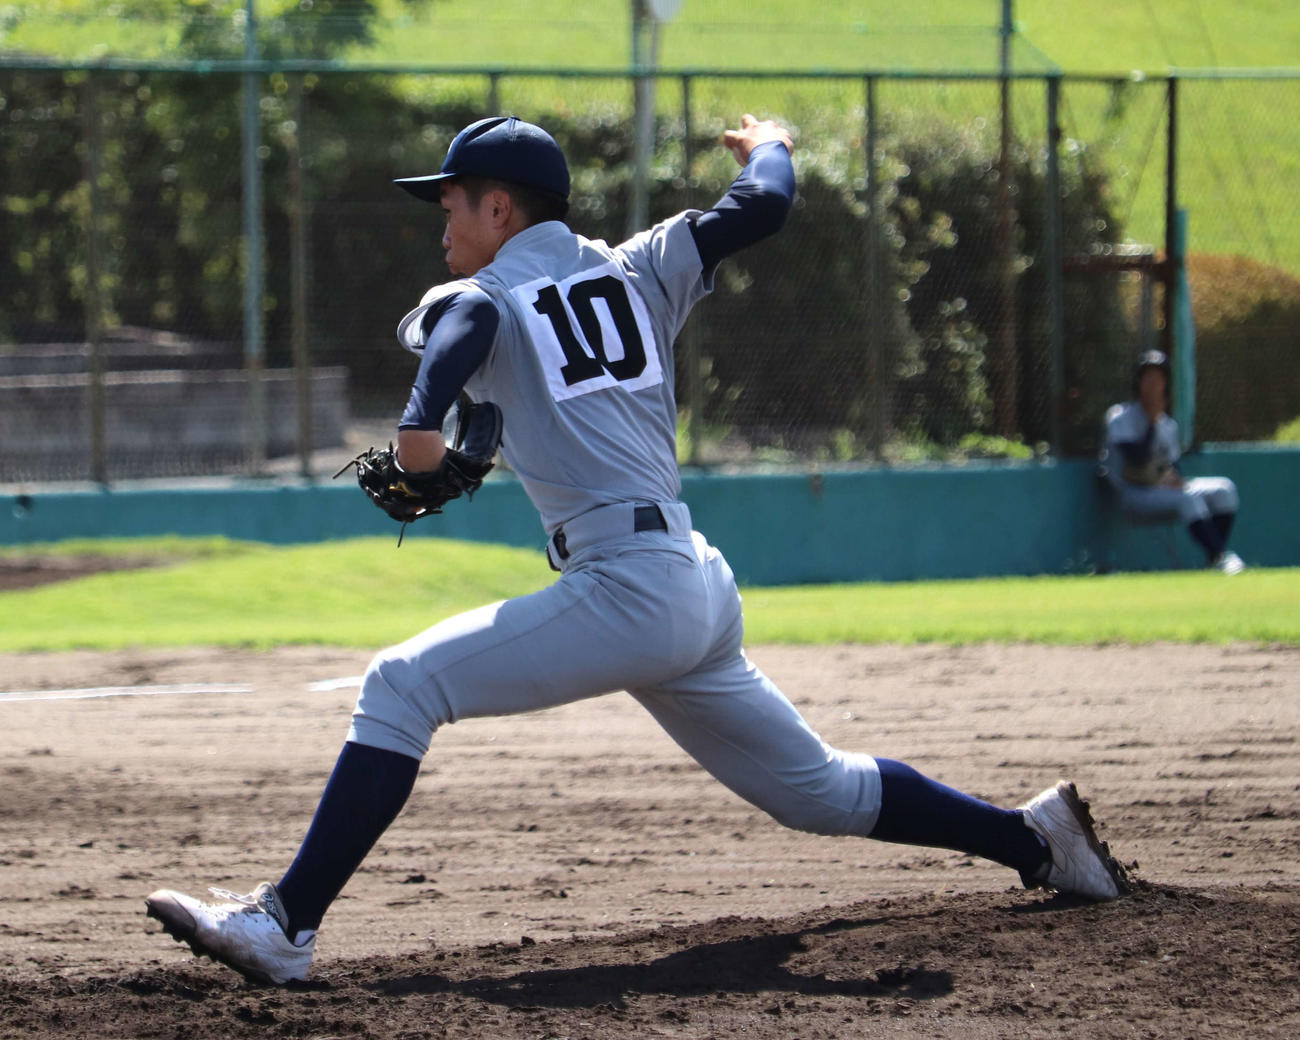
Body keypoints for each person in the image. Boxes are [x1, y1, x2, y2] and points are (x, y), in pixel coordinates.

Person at [145, 113, 1128, 985]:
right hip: (693, 580)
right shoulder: (641, 262)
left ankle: (283, 922)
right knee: (817, 788)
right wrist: (774, 141)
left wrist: (418, 430)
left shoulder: (484, 293)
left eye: (449, 202)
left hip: (627, 588)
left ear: (498, 207)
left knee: (401, 684)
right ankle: (1035, 839)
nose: (441, 223)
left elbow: (469, 332)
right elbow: (758, 208)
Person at [1102, 350, 1244, 574]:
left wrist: (1174, 478)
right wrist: (1150, 423)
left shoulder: (1167, 424)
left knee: (1224, 490)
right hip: (1134, 494)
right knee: (1189, 498)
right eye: (1147, 378)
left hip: (1160, 491)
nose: (1152, 385)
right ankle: (1220, 557)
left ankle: (1214, 557)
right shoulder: (1120, 416)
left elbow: (1172, 466)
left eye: (1158, 380)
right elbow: (1137, 460)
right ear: (1138, 382)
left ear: (1166, 385)